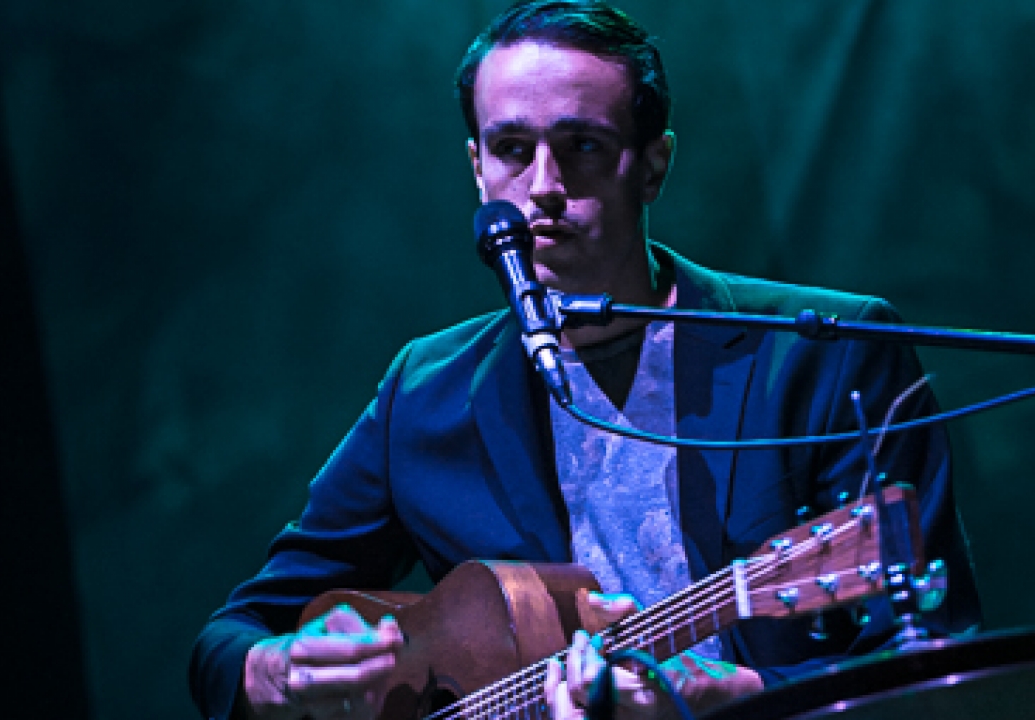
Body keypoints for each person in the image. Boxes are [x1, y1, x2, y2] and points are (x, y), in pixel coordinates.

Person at [189, 2, 983, 719]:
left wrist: (739, 699)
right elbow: (232, 635)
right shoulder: (424, 392)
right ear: (477, 168)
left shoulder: (826, 352)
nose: (542, 187)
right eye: (511, 149)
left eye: (582, 147)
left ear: (654, 165)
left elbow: (935, 659)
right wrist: (280, 670)